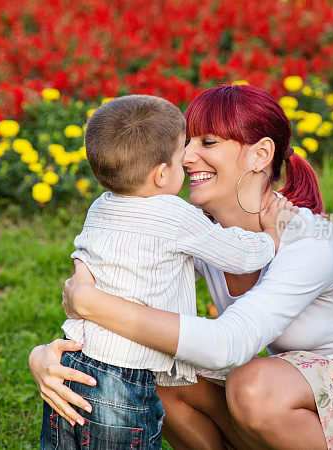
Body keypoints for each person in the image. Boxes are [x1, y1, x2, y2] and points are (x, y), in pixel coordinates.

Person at [30, 85, 333, 449]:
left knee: (253, 385)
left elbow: (227, 344)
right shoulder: (199, 231)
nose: (187, 157)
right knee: (154, 374)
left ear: (260, 154)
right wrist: (47, 356)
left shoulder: (310, 242)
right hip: (288, 396)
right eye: (186, 142)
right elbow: (122, 279)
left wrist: (88, 302)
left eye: (208, 142)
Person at [39, 94, 296, 449]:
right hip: (124, 378)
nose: (188, 161)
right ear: (162, 174)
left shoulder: (100, 207)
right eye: (180, 157)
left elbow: (146, 267)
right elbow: (238, 256)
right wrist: (272, 235)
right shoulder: (175, 215)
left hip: (76, 362)